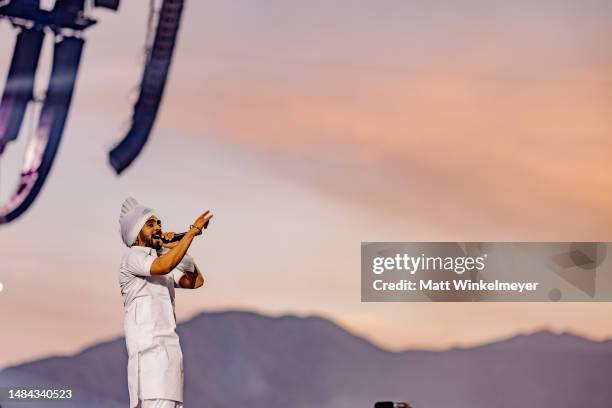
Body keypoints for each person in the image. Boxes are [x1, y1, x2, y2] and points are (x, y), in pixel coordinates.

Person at [117, 197, 213, 408]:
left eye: (159, 223)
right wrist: (191, 233)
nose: (158, 228)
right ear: (136, 233)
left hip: (169, 360)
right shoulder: (133, 258)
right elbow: (163, 266)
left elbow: (195, 281)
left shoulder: (159, 259)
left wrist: (176, 248)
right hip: (151, 361)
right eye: (150, 224)